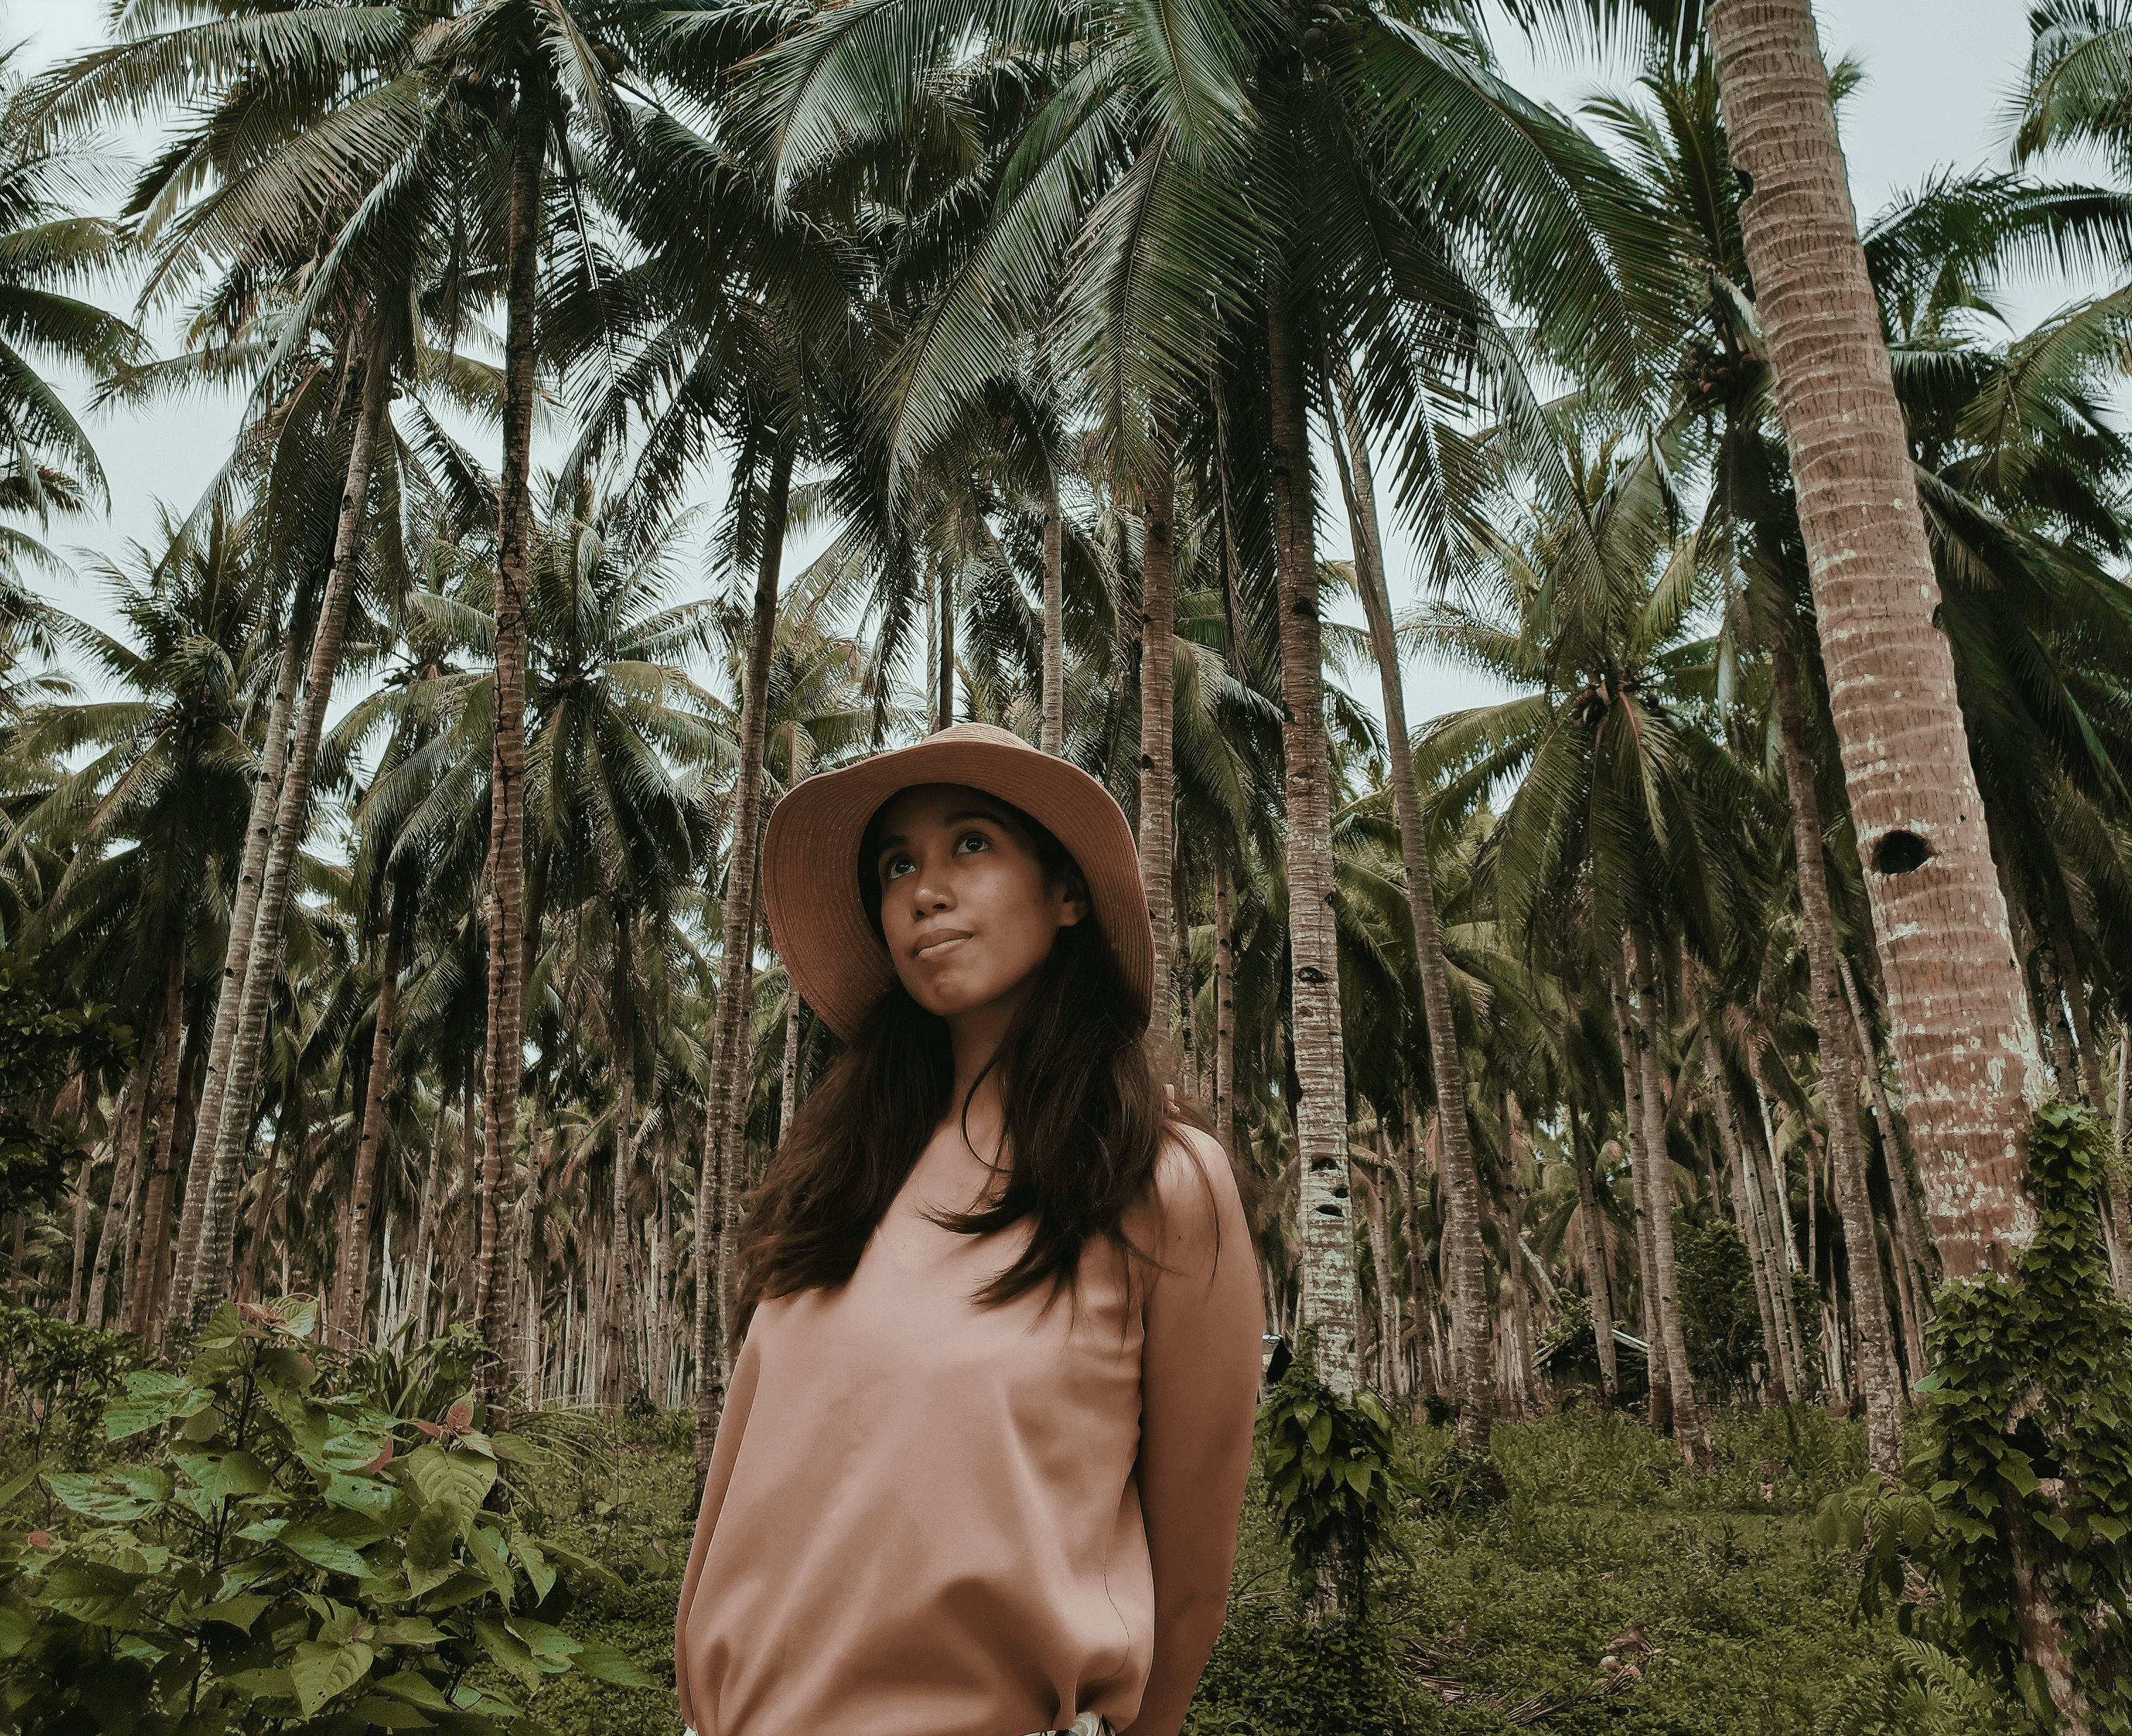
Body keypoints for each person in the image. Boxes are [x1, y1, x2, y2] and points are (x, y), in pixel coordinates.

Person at [674, 722, 1264, 1736]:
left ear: (1068, 893)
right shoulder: (838, 1180)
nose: (924, 888)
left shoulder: (1161, 1188)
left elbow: (1190, 1590)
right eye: (897, 862)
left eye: (972, 845)